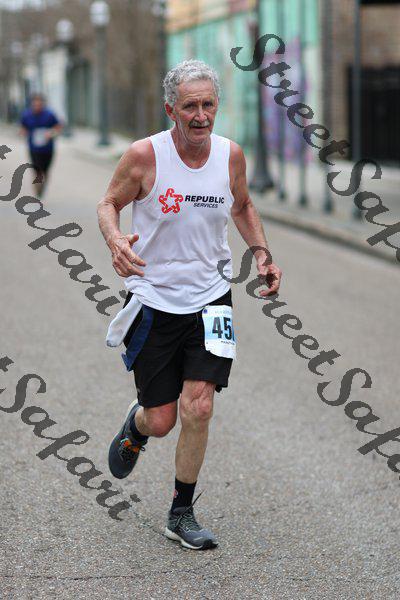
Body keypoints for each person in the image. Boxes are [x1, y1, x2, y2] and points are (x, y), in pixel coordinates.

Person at [97, 60, 282, 550]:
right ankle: (137, 427)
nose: (201, 116)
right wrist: (115, 240)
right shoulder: (145, 156)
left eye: (208, 105)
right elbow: (108, 203)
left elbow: (242, 205)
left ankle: (181, 512)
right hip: (154, 299)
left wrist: (262, 253)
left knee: (198, 406)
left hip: (211, 300)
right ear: (170, 110)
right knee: (161, 420)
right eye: (190, 106)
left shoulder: (230, 155)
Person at [20, 93, 63, 198]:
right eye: (35, 104)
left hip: (48, 149)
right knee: (37, 170)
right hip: (34, 149)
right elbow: (22, 128)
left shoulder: (49, 115)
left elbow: (58, 127)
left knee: (45, 170)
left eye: (39, 104)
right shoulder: (26, 115)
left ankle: (43, 185)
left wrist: (51, 133)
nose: (37, 107)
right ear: (32, 104)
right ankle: (37, 188)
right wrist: (24, 132)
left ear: (43, 104)